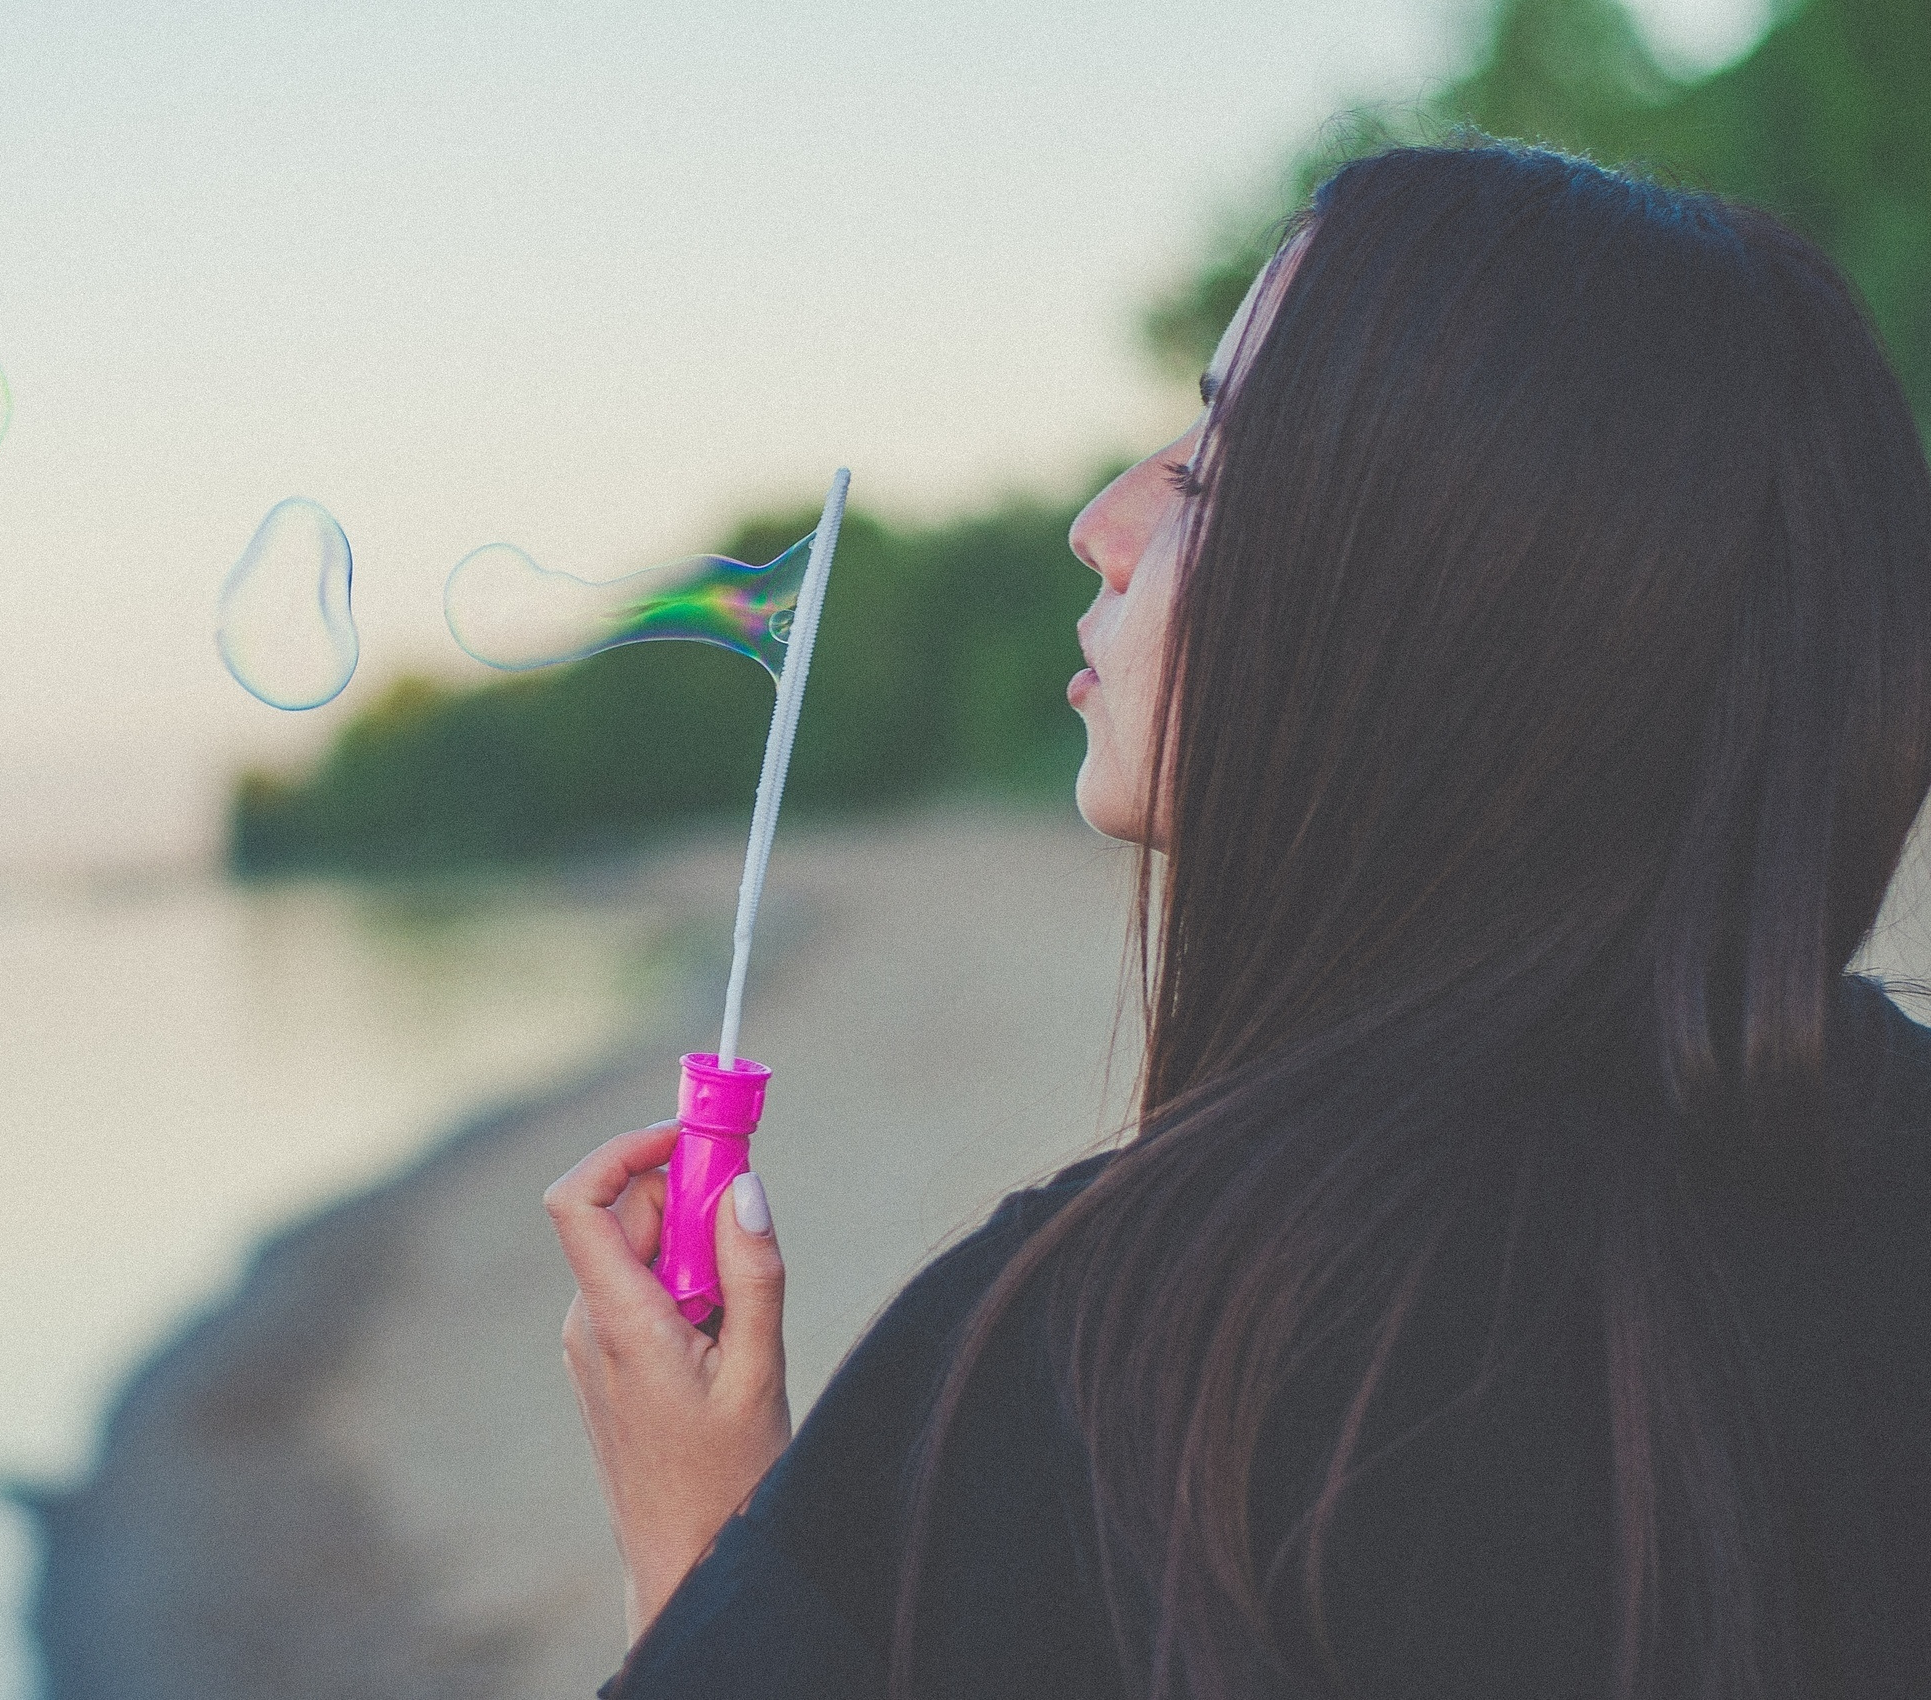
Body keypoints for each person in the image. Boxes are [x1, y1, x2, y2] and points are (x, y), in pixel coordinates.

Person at [545, 141, 1931, 1700]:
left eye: (1209, 470)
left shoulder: (1134, 1358)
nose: (1102, 524)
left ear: (1426, 599)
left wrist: (707, 1547)